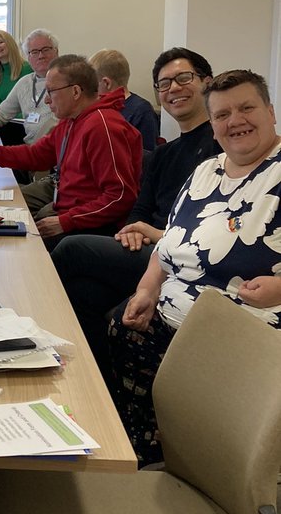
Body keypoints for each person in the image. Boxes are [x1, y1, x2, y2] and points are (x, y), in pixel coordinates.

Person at [107, 68, 281, 466]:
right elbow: (169, 243)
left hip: (241, 326)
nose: (234, 120)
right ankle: (147, 446)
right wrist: (147, 290)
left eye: (246, 108)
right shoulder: (207, 171)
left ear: (270, 112)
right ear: (214, 127)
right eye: (222, 115)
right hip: (173, 314)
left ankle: (198, 465)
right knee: (122, 321)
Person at [51, 48, 218, 375]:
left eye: (184, 79)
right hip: (144, 249)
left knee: (71, 247)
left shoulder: (221, 147)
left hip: (175, 255)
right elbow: (140, 206)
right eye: (164, 84)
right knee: (83, 293)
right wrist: (130, 230)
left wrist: (154, 234)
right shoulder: (165, 153)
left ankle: (29, 328)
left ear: (207, 83)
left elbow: (209, 226)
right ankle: (97, 384)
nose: (173, 89)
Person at [0, 55, 142, 250]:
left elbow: (120, 196)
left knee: (13, 245)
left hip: (92, 227)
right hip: (68, 212)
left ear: (76, 91)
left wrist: (65, 221)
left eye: (51, 92)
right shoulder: (71, 121)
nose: (46, 100)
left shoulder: (102, 126)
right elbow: (35, 156)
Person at [88, 48, 159, 152]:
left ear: (106, 83)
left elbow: (146, 157)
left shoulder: (142, 111)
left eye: (93, 84)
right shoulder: (97, 109)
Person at [0, 30, 31, 108]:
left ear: (10, 44)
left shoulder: (28, 69)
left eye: (0, 42)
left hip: (25, 118)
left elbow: (32, 104)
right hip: (4, 118)